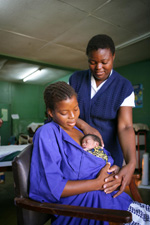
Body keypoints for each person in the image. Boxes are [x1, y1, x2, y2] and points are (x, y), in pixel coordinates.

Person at [29, 81, 150, 225]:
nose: (73, 117)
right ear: (50, 112)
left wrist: (114, 170)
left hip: (111, 199)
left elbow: (102, 156)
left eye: (75, 109)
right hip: (85, 207)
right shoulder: (47, 133)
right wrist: (97, 184)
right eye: (64, 113)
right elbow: (51, 187)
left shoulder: (81, 131)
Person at [69, 34, 136, 197]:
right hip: (79, 153)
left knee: (102, 200)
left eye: (104, 62)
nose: (99, 67)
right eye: (93, 62)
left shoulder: (124, 87)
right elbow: (66, 114)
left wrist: (132, 163)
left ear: (113, 56)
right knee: (78, 198)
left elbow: (126, 126)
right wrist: (86, 126)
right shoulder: (76, 79)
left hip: (107, 159)